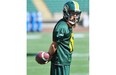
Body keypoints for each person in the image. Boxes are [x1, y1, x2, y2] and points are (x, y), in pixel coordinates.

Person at [46, 0, 81, 75]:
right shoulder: (62, 26)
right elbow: (54, 45)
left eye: (76, 14)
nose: (75, 16)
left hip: (64, 61)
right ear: (66, 12)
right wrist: (49, 55)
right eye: (72, 13)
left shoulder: (68, 24)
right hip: (60, 63)